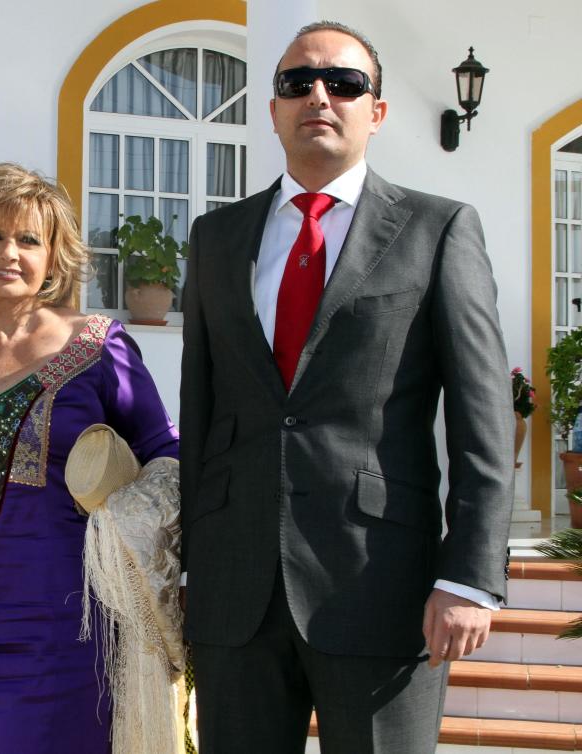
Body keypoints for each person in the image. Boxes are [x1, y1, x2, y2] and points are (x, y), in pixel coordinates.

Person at [180, 21, 513, 754]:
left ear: (377, 110)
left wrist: (471, 576)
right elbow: (203, 411)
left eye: (344, 83)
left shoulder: (438, 229)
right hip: (236, 595)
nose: (319, 97)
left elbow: (482, 419)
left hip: (382, 588)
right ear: (272, 110)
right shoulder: (216, 238)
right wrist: (189, 568)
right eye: (296, 83)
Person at [0, 162, 179, 754]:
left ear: (55, 253)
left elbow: (165, 453)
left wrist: (131, 538)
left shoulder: (99, 344)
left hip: (68, 620)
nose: (9, 253)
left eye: (29, 239)